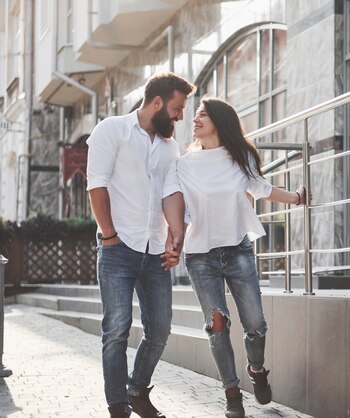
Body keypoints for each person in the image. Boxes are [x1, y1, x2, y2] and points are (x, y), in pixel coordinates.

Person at [169, 96, 306, 418]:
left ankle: (256, 369)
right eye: (195, 115)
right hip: (200, 256)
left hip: (237, 248)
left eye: (203, 114)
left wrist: (297, 198)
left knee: (255, 324)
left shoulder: (240, 156)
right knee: (217, 326)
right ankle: (232, 394)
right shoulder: (183, 164)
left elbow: (263, 189)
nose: (195, 119)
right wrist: (171, 243)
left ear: (220, 120)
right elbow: (177, 208)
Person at [86, 72, 196, 418]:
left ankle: (137, 389)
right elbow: (97, 185)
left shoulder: (168, 147)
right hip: (118, 246)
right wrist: (109, 234)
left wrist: (175, 235)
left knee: (160, 328)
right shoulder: (111, 130)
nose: (181, 116)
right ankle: (117, 406)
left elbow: (170, 192)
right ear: (158, 102)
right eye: (177, 108)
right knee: (116, 329)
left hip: (153, 252)